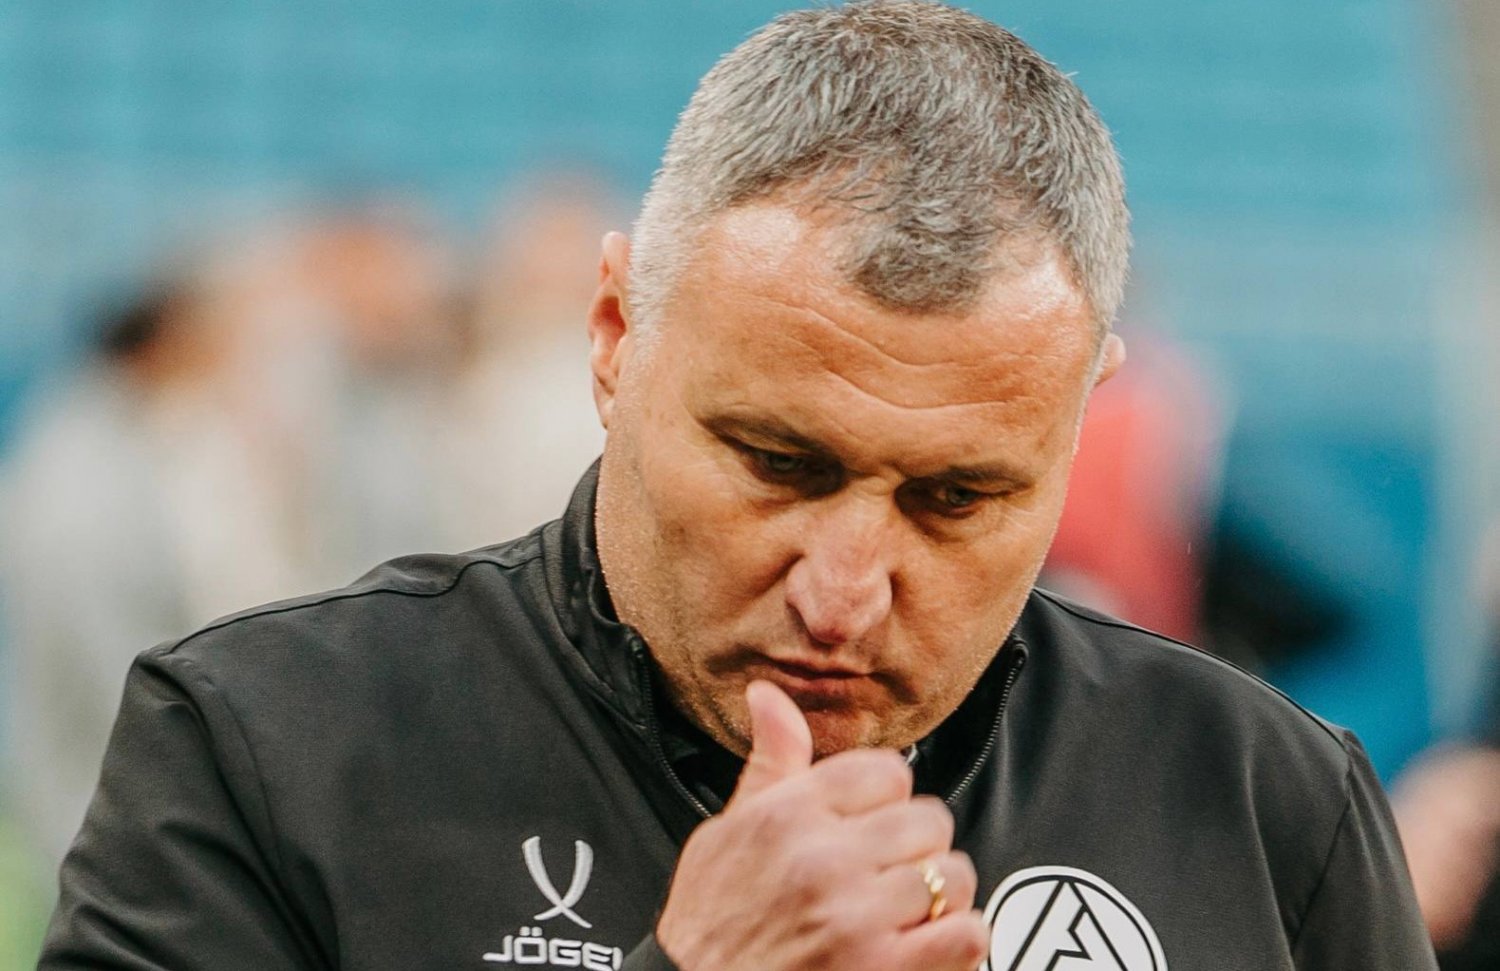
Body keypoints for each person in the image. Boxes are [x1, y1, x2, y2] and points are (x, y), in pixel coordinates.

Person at [39, 3, 1435, 969]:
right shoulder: (263, 752)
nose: (844, 593)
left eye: (956, 499)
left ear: (1083, 424)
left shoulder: (1265, 805)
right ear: (614, 339)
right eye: (780, 464)